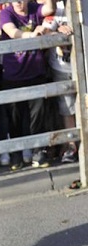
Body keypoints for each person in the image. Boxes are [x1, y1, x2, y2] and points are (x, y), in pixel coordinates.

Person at [0, 0, 56, 170]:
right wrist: (32, 35)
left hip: (35, 72)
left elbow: (50, 8)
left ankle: (38, 152)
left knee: (37, 115)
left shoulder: (33, 9)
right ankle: (17, 155)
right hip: (13, 75)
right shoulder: (6, 12)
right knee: (14, 117)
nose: (17, 2)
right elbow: (12, 31)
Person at [43, 0, 77, 163]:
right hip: (61, 67)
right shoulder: (53, 9)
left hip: (82, 63)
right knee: (67, 109)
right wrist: (58, 30)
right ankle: (72, 146)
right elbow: (43, 31)